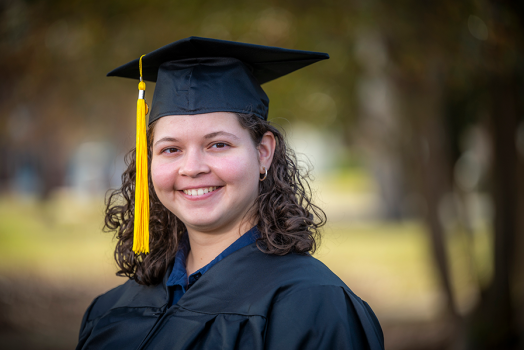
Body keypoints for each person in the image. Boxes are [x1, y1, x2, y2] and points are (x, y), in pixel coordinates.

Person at [76, 36, 384, 350]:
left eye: (218, 144)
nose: (192, 168)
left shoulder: (314, 307)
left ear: (263, 152)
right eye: (171, 149)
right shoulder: (110, 310)